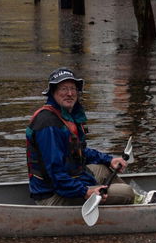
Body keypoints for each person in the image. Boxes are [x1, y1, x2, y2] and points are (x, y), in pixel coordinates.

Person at [27, 67, 135, 206]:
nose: (70, 93)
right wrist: (85, 192)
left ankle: (134, 202)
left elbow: (79, 152)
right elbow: (56, 174)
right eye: (64, 89)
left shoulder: (64, 116)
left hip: (68, 183)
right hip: (52, 195)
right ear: (53, 92)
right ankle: (132, 202)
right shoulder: (48, 124)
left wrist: (110, 160)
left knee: (104, 168)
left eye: (73, 88)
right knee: (127, 192)